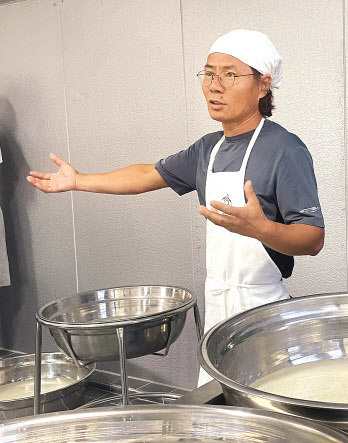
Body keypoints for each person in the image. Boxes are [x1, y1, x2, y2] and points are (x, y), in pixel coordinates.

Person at [26, 29, 325, 385]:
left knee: (263, 404)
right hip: (216, 307)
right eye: (209, 73)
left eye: (230, 74)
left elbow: (312, 239)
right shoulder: (206, 149)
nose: (215, 86)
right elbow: (146, 174)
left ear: (263, 85)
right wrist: (79, 180)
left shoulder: (285, 149)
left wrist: (261, 229)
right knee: (216, 410)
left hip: (262, 311)